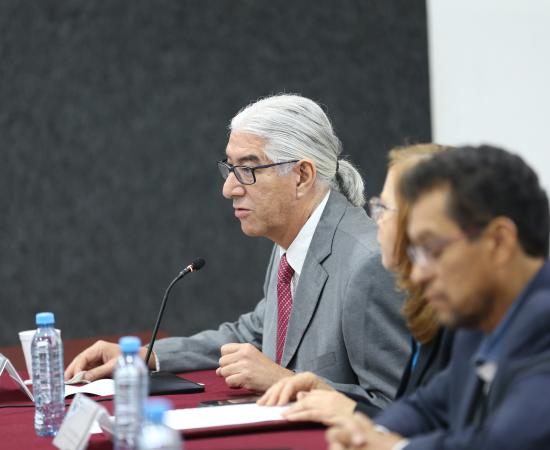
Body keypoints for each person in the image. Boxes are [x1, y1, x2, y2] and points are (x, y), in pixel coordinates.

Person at [65, 94, 409, 406]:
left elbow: (399, 407)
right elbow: (253, 334)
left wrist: (284, 382)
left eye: (247, 169)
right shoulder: (294, 239)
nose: (229, 188)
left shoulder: (369, 264)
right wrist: (148, 355)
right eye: (230, 169)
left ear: (302, 176)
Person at [326, 145, 550, 450]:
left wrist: (390, 448)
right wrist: (368, 433)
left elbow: (504, 443)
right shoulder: (479, 322)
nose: (418, 274)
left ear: (498, 242)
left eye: (432, 249)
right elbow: (429, 405)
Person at [259, 144, 455, 423]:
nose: (377, 221)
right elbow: (420, 413)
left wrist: (350, 410)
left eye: (385, 209)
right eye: (377, 206)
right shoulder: (436, 307)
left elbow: (453, 430)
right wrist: (332, 396)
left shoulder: (474, 325)